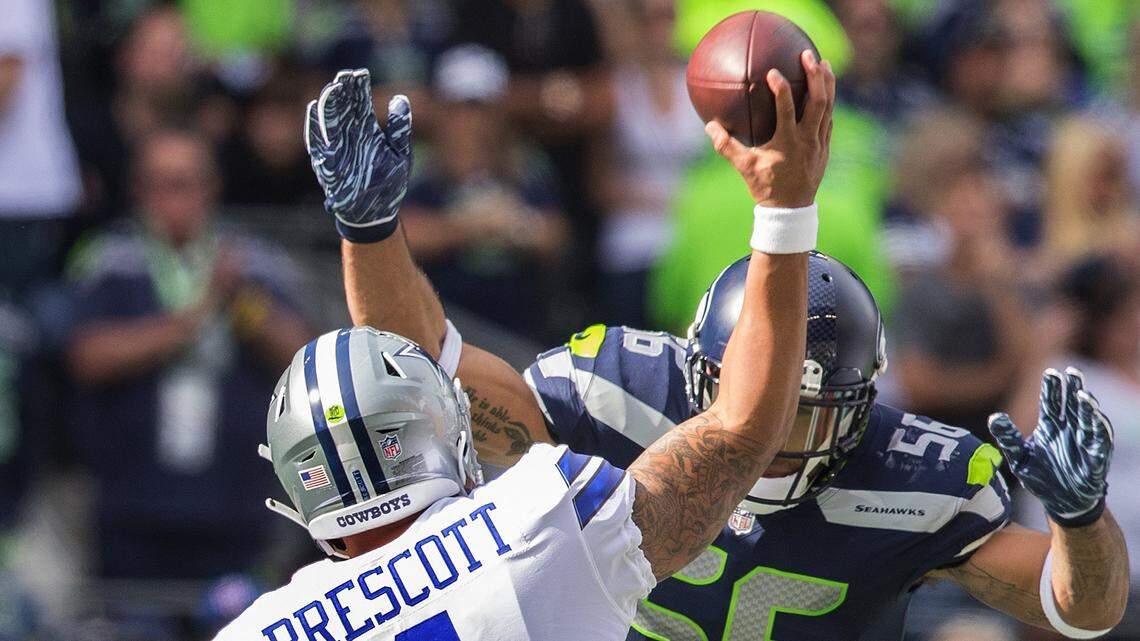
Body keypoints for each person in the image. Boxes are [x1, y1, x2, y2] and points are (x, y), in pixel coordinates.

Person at [317, 67, 1127, 641]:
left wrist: (1082, 520)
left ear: (862, 410)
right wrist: (370, 232)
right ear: (699, 372)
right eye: (769, 397)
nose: (773, 431)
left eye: (807, 413)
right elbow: (420, 375)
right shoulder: (621, 394)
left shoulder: (912, 481)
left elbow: (1082, 609)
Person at [214, 50, 834, 639]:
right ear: (445, 429)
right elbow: (744, 430)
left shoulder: (256, 628)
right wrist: (785, 203)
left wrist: (366, 230)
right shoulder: (540, 521)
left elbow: (425, 354)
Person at [67, 130, 312, 585]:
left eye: (184, 183)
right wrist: (190, 322)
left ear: (211, 186)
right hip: (130, 503)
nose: (172, 199)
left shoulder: (253, 260)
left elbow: (300, 357)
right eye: (157, 184)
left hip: (236, 503)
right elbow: (87, 357)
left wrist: (241, 300)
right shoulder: (110, 258)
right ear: (137, 190)